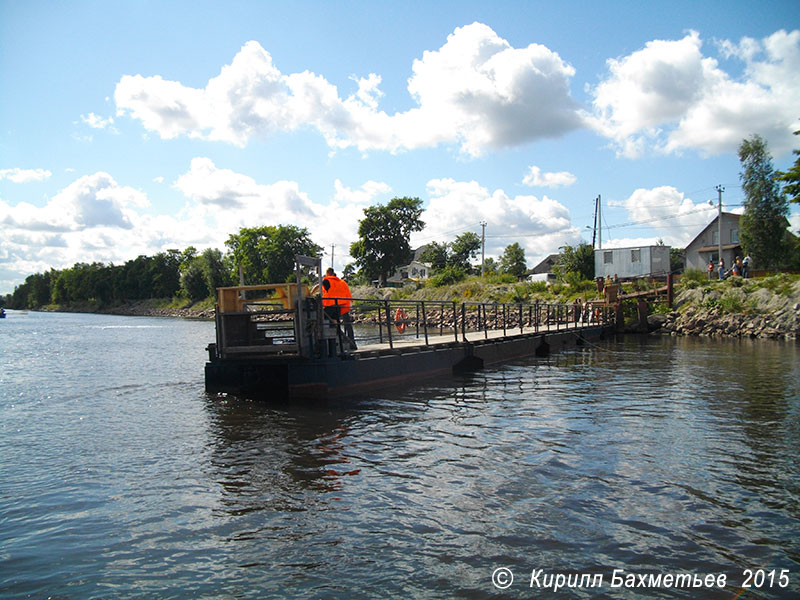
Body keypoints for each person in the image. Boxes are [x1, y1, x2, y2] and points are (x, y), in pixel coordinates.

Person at [321, 268, 357, 350]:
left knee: (328, 320)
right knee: (346, 323)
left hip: (331, 305)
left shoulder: (326, 281)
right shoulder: (342, 282)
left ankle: (335, 341)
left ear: (327, 273)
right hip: (344, 304)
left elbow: (318, 287)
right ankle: (351, 341)